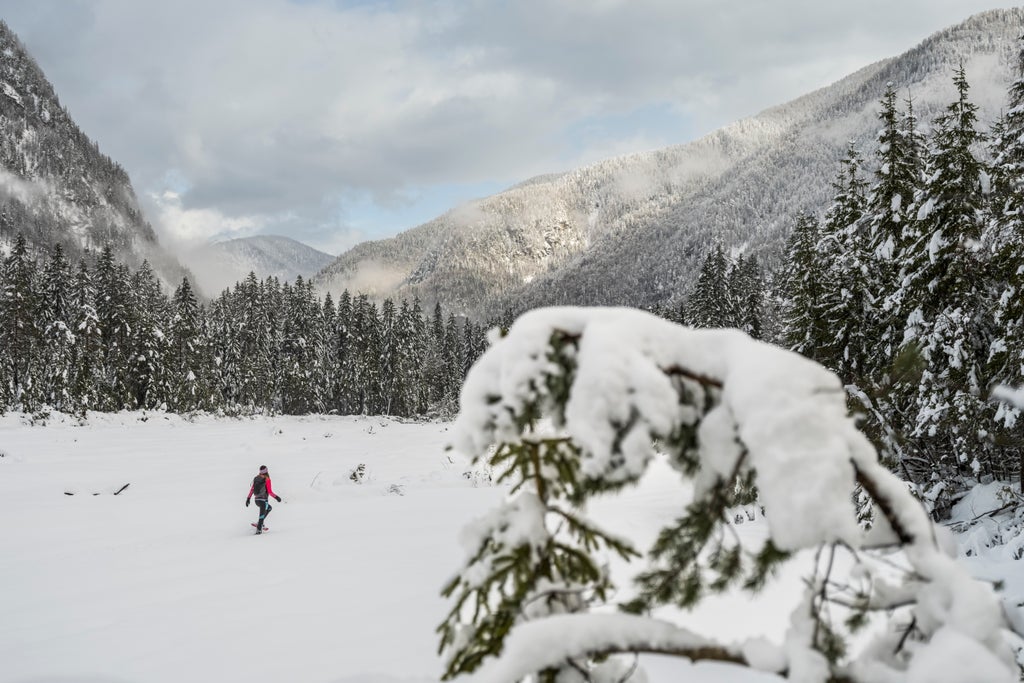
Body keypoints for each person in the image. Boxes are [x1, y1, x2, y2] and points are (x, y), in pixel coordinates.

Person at [246, 465, 282, 534]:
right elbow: (270, 492)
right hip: (263, 501)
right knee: (262, 516)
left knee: (269, 508)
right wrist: (277, 497)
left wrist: (248, 498)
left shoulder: (256, 478)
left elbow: (252, 490)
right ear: (267, 471)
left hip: (257, 501)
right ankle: (259, 528)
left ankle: (260, 523)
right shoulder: (267, 479)